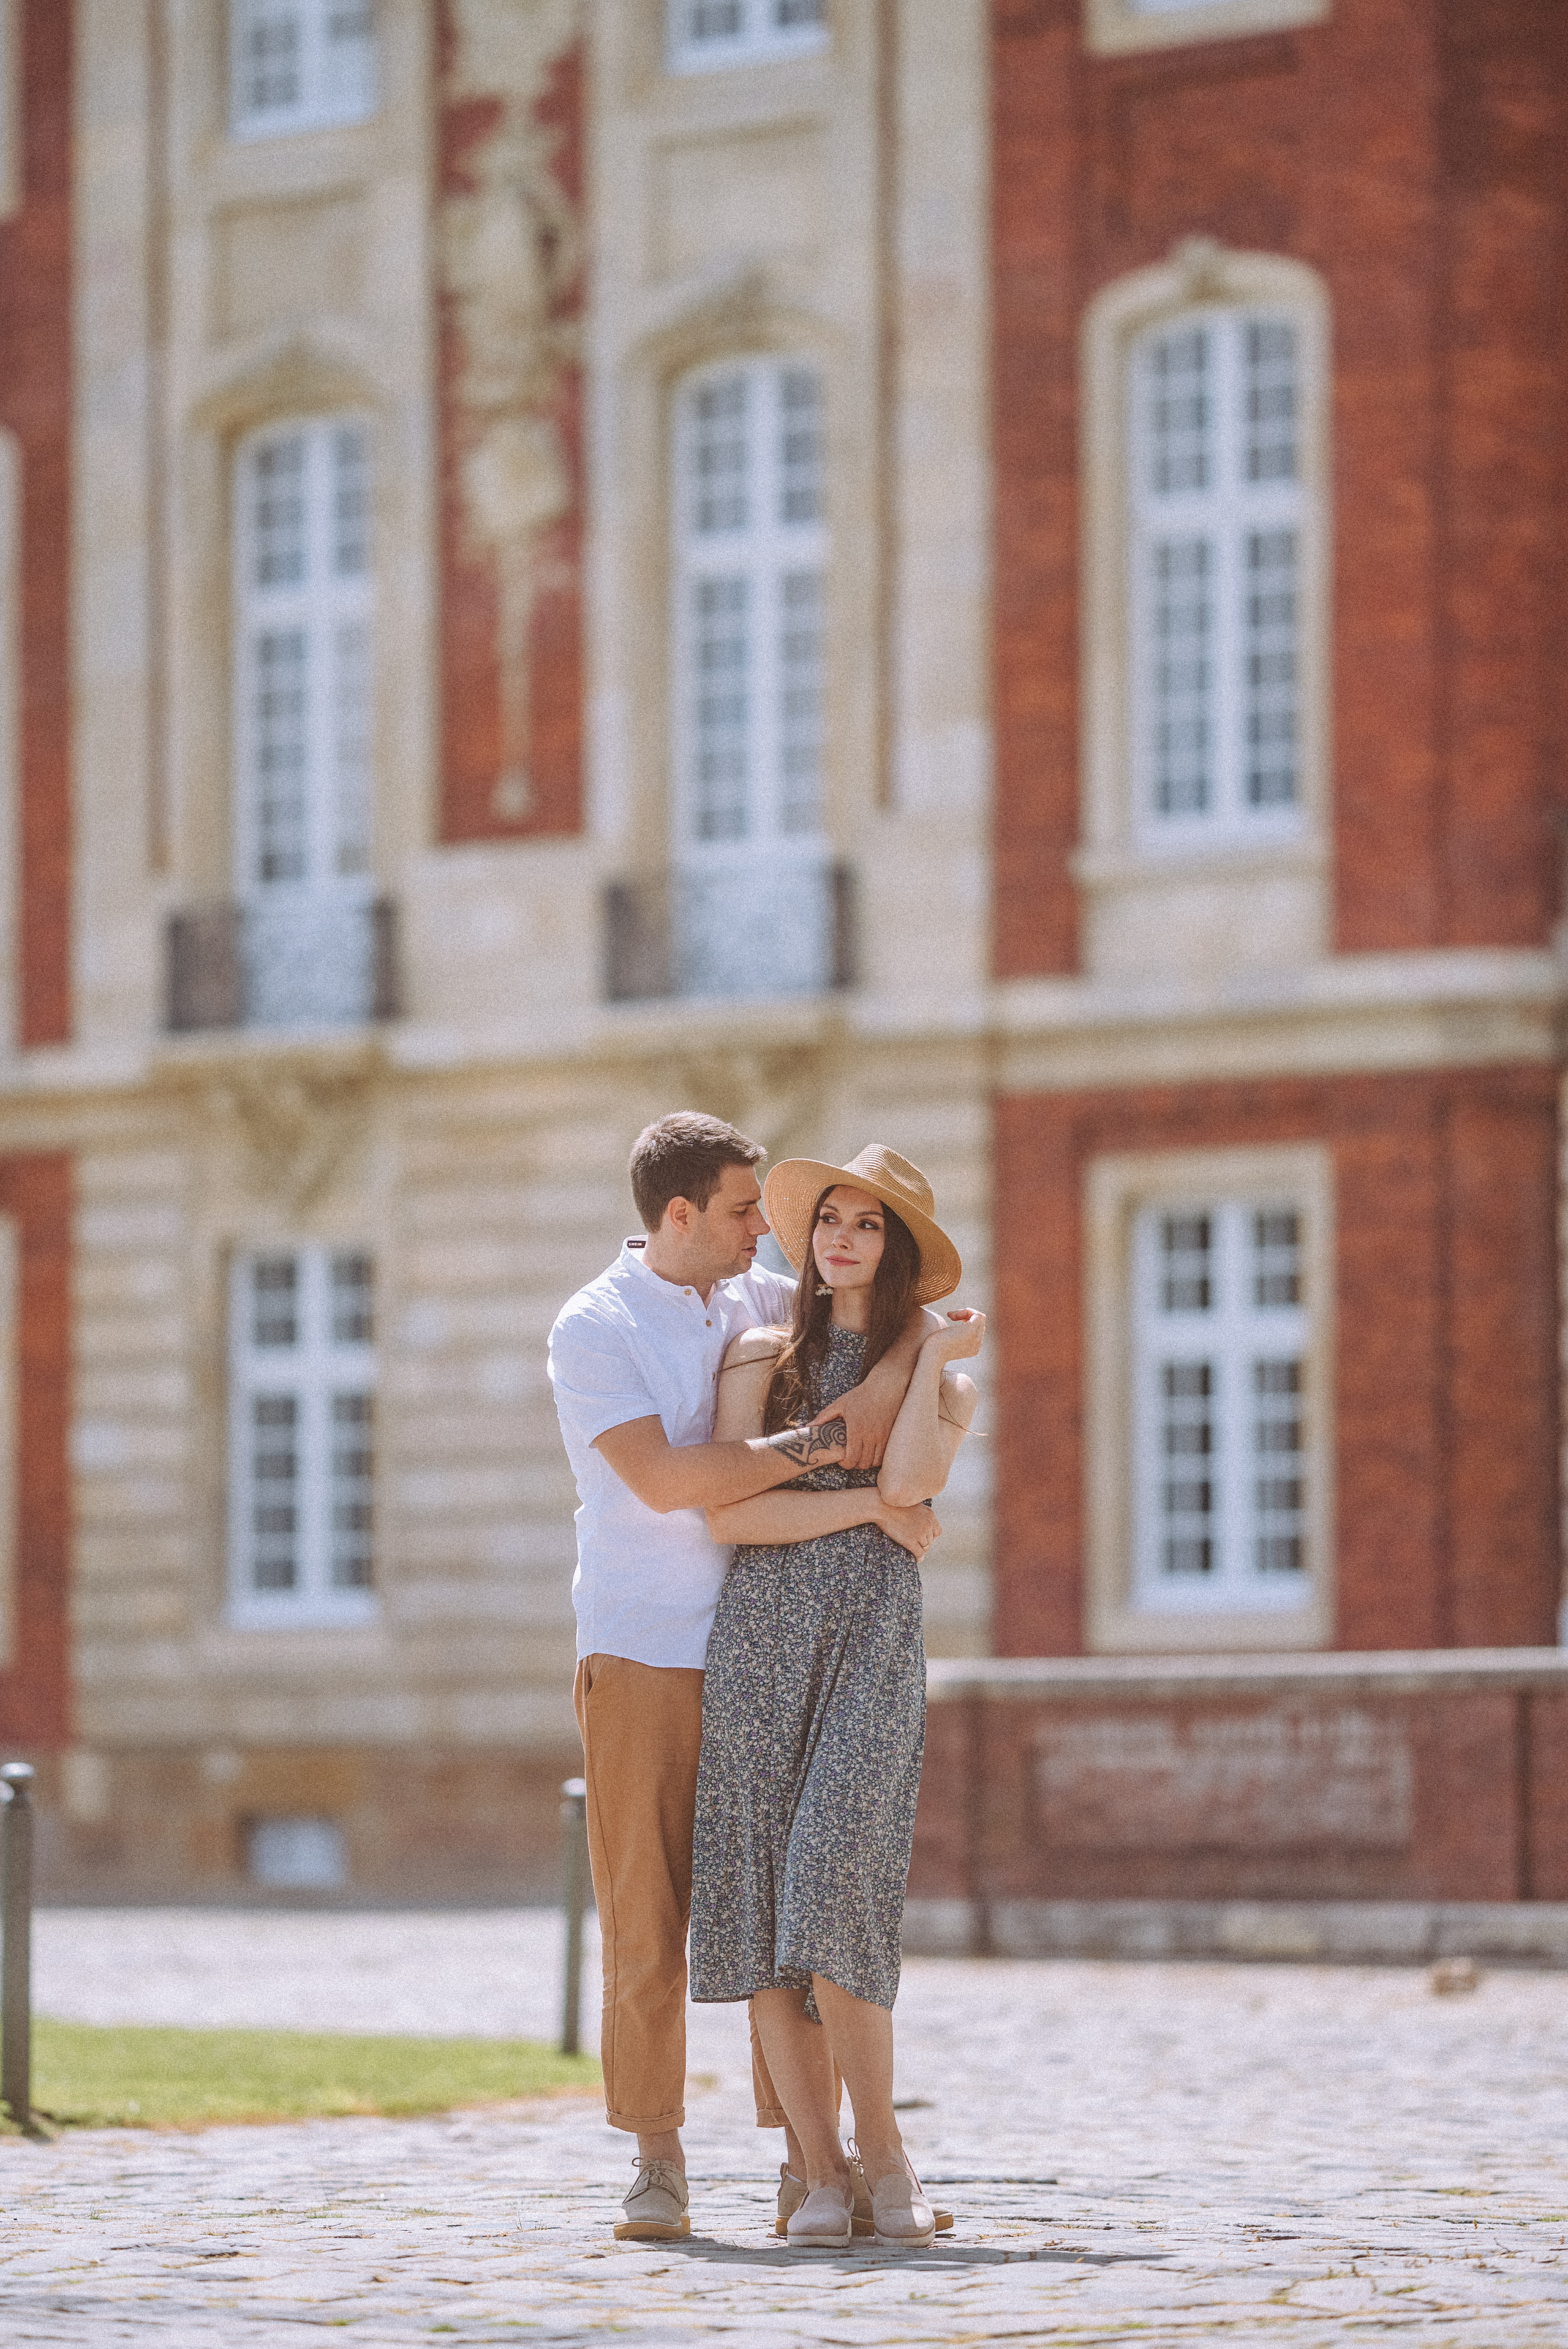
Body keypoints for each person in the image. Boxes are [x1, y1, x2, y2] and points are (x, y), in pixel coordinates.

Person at [546, 1113, 940, 2244]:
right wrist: (830, 1447)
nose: (762, 1225)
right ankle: (657, 2157)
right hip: (644, 1649)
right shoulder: (594, 1325)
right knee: (649, 1912)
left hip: (769, 1645)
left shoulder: (758, 1295)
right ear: (679, 1216)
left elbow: (885, 1322)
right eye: (739, 1207)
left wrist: (901, 1375)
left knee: (778, 1909)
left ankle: (806, 2161)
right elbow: (673, 1483)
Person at [688, 1144, 982, 2249]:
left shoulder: (946, 1381)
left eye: (869, 1225)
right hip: (761, 1644)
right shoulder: (760, 1353)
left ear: (897, 1252)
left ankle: (889, 2156)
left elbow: (906, 1480)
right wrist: (858, 1513)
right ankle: (821, 2173)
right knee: (768, 1905)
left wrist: (917, 1347)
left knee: (833, 1883)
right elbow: (730, 1512)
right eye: (830, 1221)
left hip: (872, 1645)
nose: (843, 1237)